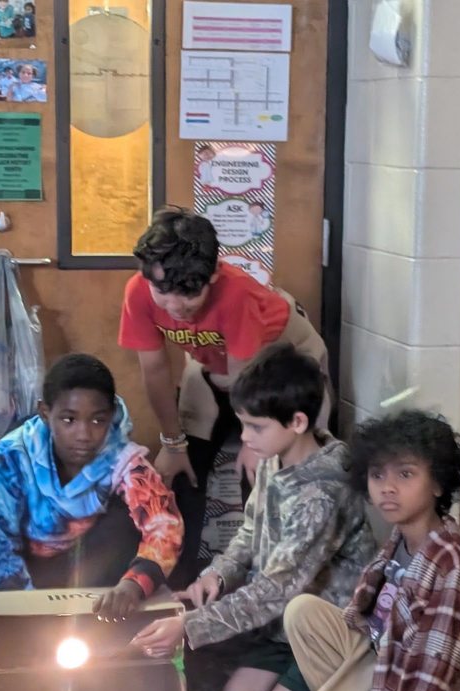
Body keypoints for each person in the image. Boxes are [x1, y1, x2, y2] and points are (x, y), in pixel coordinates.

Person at [130, 343, 374, 691]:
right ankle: (305, 680)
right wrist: (218, 574)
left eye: (255, 426)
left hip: (328, 629)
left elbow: (275, 590)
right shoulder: (277, 458)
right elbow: (249, 530)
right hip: (282, 625)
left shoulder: (322, 494)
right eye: (242, 423)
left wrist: (190, 626)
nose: (244, 437)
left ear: (296, 421)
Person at [267, 409, 460, 691]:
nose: (387, 488)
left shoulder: (450, 565)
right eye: (377, 475)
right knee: (302, 611)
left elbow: (431, 677)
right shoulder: (401, 539)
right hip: (383, 662)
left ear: (437, 483)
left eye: (405, 475)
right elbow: (369, 620)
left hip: (414, 690)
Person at [118, 206, 333, 586]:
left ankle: (271, 586)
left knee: (270, 468)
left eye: (188, 295)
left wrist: (253, 437)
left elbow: (248, 380)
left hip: (284, 365)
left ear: (213, 275)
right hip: (215, 364)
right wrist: (173, 441)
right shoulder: (139, 293)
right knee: (180, 468)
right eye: (161, 293)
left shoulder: (236, 296)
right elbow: (154, 370)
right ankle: (179, 583)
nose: (174, 307)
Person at [0, 354, 183, 632]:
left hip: (84, 567)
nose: (83, 434)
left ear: (110, 416)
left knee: (125, 526)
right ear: (46, 413)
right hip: (23, 563)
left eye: (97, 421)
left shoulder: (124, 458)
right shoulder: (12, 455)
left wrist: (133, 584)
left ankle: (93, 623)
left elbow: (164, 524)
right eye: (69, 420)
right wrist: (27, 607)